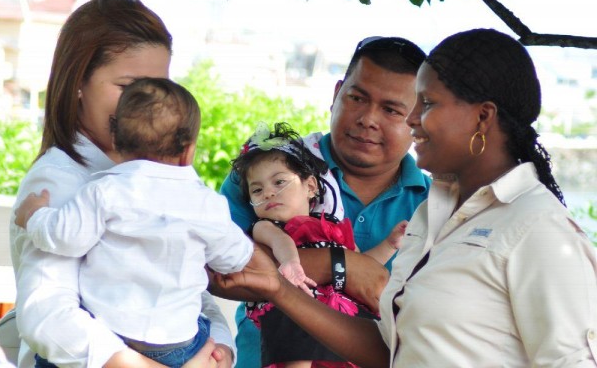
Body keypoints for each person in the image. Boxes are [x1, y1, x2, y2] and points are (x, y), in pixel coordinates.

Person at [214, 28, 597, 367]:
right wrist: (289, 285)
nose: (412, 119)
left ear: (482, 119)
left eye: (425, 104)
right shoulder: (434, 215)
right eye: (359, 99)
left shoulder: (538, 228)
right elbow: (392, 348)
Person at [8, 0, 235, 368]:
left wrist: (220, 348)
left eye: (157, 88)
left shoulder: (154, 175)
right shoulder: (59, 181)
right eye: (129, 86)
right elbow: (46, 314)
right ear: (78, 81)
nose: (144, 105)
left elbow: (183, 281)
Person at [217, 36, 431, 368]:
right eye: (357, 98)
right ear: (336, 95)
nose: (368, 119)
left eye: (390, 109)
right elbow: (221, 271)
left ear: (417, 118)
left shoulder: (436, 206)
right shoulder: (267, 172)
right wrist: (342, 264)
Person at [230, 121, 406, 367]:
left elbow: (363, 265)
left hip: (337, 319)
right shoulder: (265, 227)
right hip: (292, 311)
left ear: (310, 186)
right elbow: (281, 243)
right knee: (292, 314)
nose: (268, 193)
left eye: (279, 182)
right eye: (257, 190)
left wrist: (390, 244)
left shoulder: (333, 226)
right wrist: (291, 264)